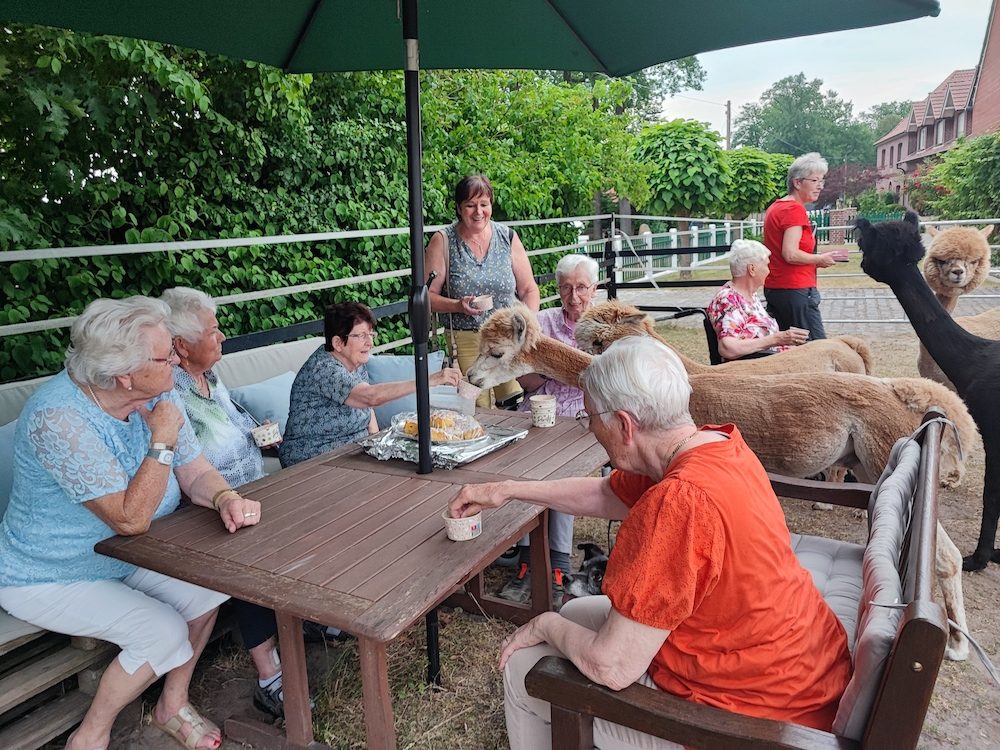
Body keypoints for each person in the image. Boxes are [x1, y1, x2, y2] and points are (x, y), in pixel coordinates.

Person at [449, 336, 851, 749]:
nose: (590, 429)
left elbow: (611, 667)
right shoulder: (716, 445)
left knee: (523, 666)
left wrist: (544, 622)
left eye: (590, 418)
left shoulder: (678, 504)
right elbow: (608, 494)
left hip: (756, 718)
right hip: (799, 667)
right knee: (585, 608)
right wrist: (509, 490)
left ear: (624, 424)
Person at [0, 296, 261, 750]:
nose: (177, 360)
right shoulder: (58, 419)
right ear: (124, 375)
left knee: (208, 589)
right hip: (52, 574)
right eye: (166, 356)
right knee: (161, 631)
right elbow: (129, 518)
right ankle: (91, 734)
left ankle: (171, 706)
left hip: (127, 559)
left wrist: (224, 496)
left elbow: (195, 471)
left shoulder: (157, 390)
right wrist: (160, 438)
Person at [161, 286, 296, 719]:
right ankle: (268, 674)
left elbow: (236, 424)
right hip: (202, 509)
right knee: (248, 556)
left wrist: (262, 433)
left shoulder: (211, 379)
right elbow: (186, 472)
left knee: (310, 517)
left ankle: (303, 620)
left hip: (253, 486)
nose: (222, 337)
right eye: (213, 331)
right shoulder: (169, 395)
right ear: (180, 345)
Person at [498, 254, 599, 606]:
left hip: (584, 422)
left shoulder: (605, 329)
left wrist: (560, 367)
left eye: (582, 288)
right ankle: (527, 560)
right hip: (538, 415)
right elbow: (524, 380)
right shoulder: (540, 323)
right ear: (557, 290)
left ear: (594, 289)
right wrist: (552, 369)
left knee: (562, 478)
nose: (574, 297)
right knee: (526, 475)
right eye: (566, 288)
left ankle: (556, 566)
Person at [279, 301, 462, 467]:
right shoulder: (324, 370)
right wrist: (429, 380)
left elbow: (367, 411)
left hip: (351, 451)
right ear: (337, 342)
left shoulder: (353, 360)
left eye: (370, 334)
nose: (370, 342)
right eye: (361, 336)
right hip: (313, 458)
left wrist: (375, 442)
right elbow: (370, 398)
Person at [425, 174, 541, 408]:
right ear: (458, 208)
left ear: (491, 204)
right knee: (475, 407)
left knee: (514, 404)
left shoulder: (507, 237)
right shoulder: (444, 240)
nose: (478, 212)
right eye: (470, 205)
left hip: (508, 340)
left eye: (483, 204)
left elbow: (529, 289)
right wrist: (457, 306)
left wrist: (526, 327)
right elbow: (425, 297)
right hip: (466, 338)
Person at [762, 152, 840, 341]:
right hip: (795, 289)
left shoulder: (777, 206)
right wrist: (819, 259)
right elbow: (790, 254)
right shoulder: (794, 209)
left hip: (776, 287)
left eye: (822, 181)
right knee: (815, 349)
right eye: (814, 180)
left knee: (787, 347)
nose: (820, 186)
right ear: (797, 183)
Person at [706, 239, 809, 361]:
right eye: (766, 265)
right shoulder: (728, 299)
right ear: (752, 269)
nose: (769, 271)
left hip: (773, 361)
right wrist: (777, 339)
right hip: (758, 369)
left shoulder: (750, 296)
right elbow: (728, 348)